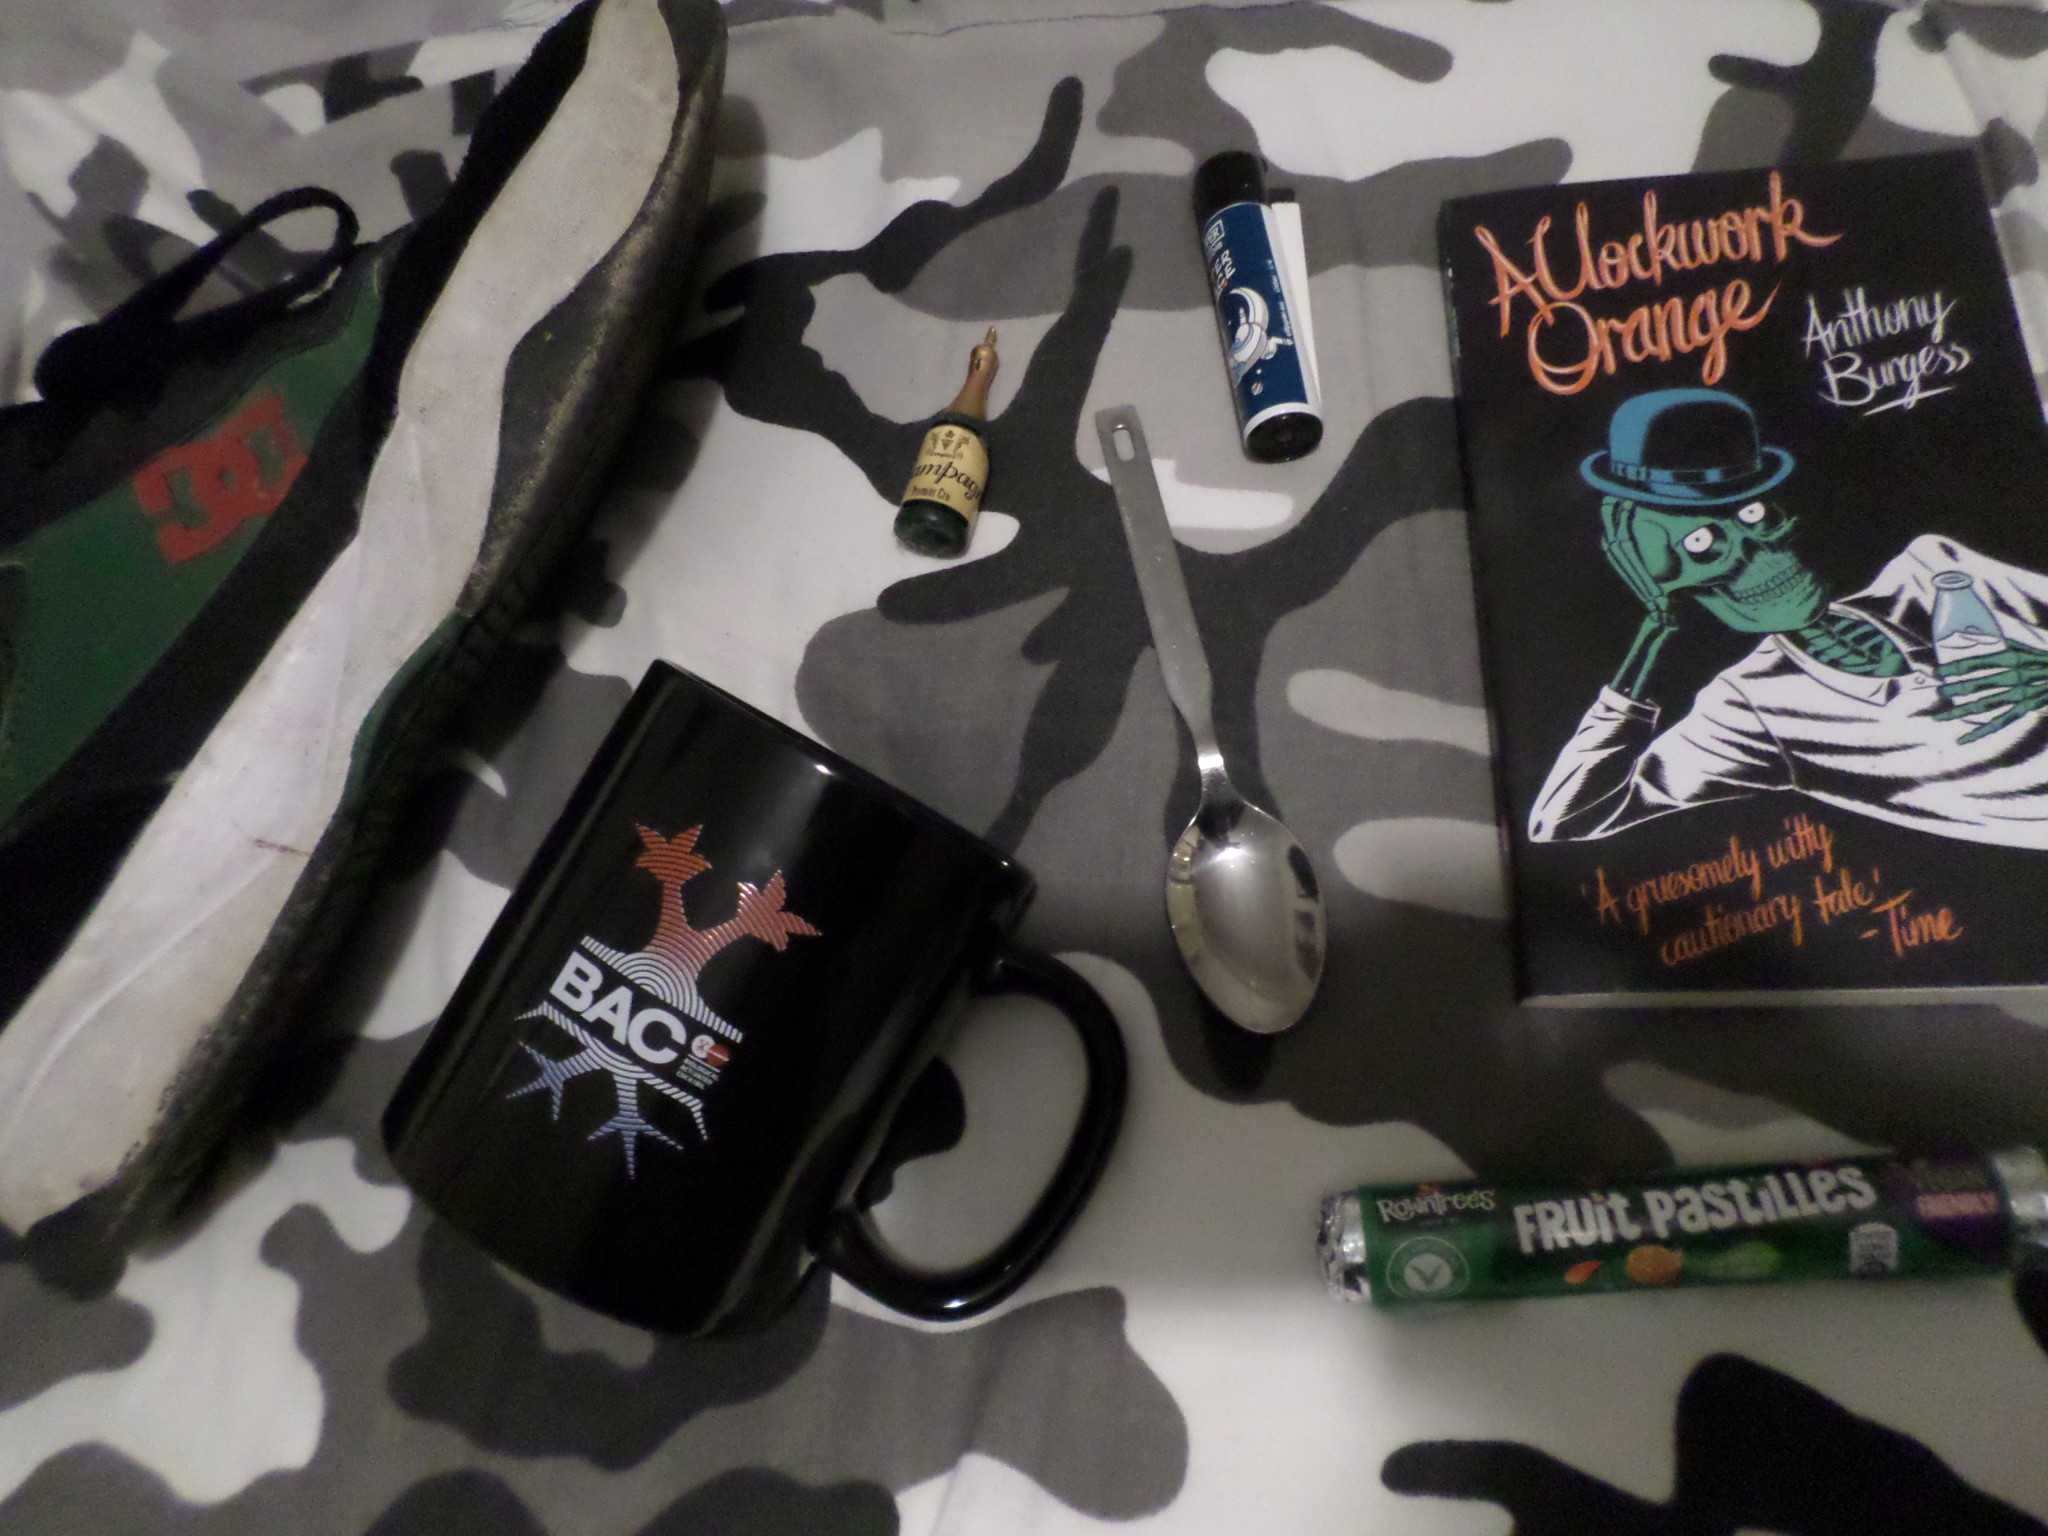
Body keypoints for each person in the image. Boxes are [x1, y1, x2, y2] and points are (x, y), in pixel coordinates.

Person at [1530, 387, 2048, 849]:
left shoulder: (1934, 570)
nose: (1756, 554)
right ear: (1667, 574)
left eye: (1754, 515)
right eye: (1703, 544)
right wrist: (1653, 636)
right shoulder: (1751, 707)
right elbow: (1565, 820)